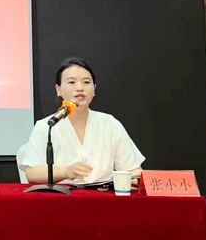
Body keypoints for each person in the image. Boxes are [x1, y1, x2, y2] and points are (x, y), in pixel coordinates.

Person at [19, 56, 144, 184]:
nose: (80, 88)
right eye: (71, 82)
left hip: (102, 195)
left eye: (86, 82)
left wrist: (145, 181)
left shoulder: (110, 124)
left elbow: (133, 170)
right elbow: (32, 173)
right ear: (58, 90)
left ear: (94, 90)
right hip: (62, 195)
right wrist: (66, 172)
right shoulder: (47, 126)